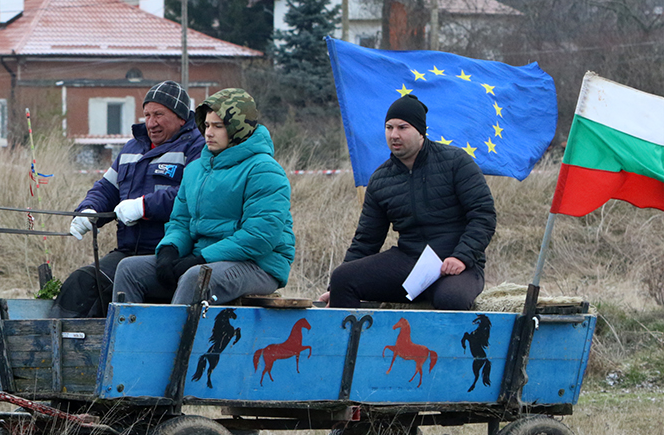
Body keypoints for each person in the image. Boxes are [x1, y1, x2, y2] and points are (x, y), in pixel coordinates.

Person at [111, 88, 294, 306]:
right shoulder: (195, 169)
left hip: (258, 264)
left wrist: (201, 258)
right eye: (206, 125)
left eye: (218, 126)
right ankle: (126, 338)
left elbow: (260, 236)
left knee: (196, 277)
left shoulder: (264, 170)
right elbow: (181, 221)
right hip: (205, 259)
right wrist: (170, 249)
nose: (208, 133)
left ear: (238, 129)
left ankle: (175, 340)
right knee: (129, 269)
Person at [319, 94, 496, 310]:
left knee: (451, 299)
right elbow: (366, 240)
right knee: (343, 279)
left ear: (421, 131)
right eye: (389, 127)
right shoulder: (380, 179)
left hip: (458, 264)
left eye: (403, 127)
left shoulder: (456, 162)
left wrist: (462, 256)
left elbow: (483, 215)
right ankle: (357, 343)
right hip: (409, 261)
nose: (394, 135)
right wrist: (333, 288)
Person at [56, 81, 205, 317]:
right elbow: (107, 187)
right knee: (81, 284)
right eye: (147, 115)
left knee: (107, 291)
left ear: (180, 117)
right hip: (128, 249)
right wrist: (89, 211)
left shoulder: (198, 148)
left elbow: (191, 195)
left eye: (159, 114)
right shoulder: (131, 148)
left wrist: (143, 206)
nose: (151, 122)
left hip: (171, 252)